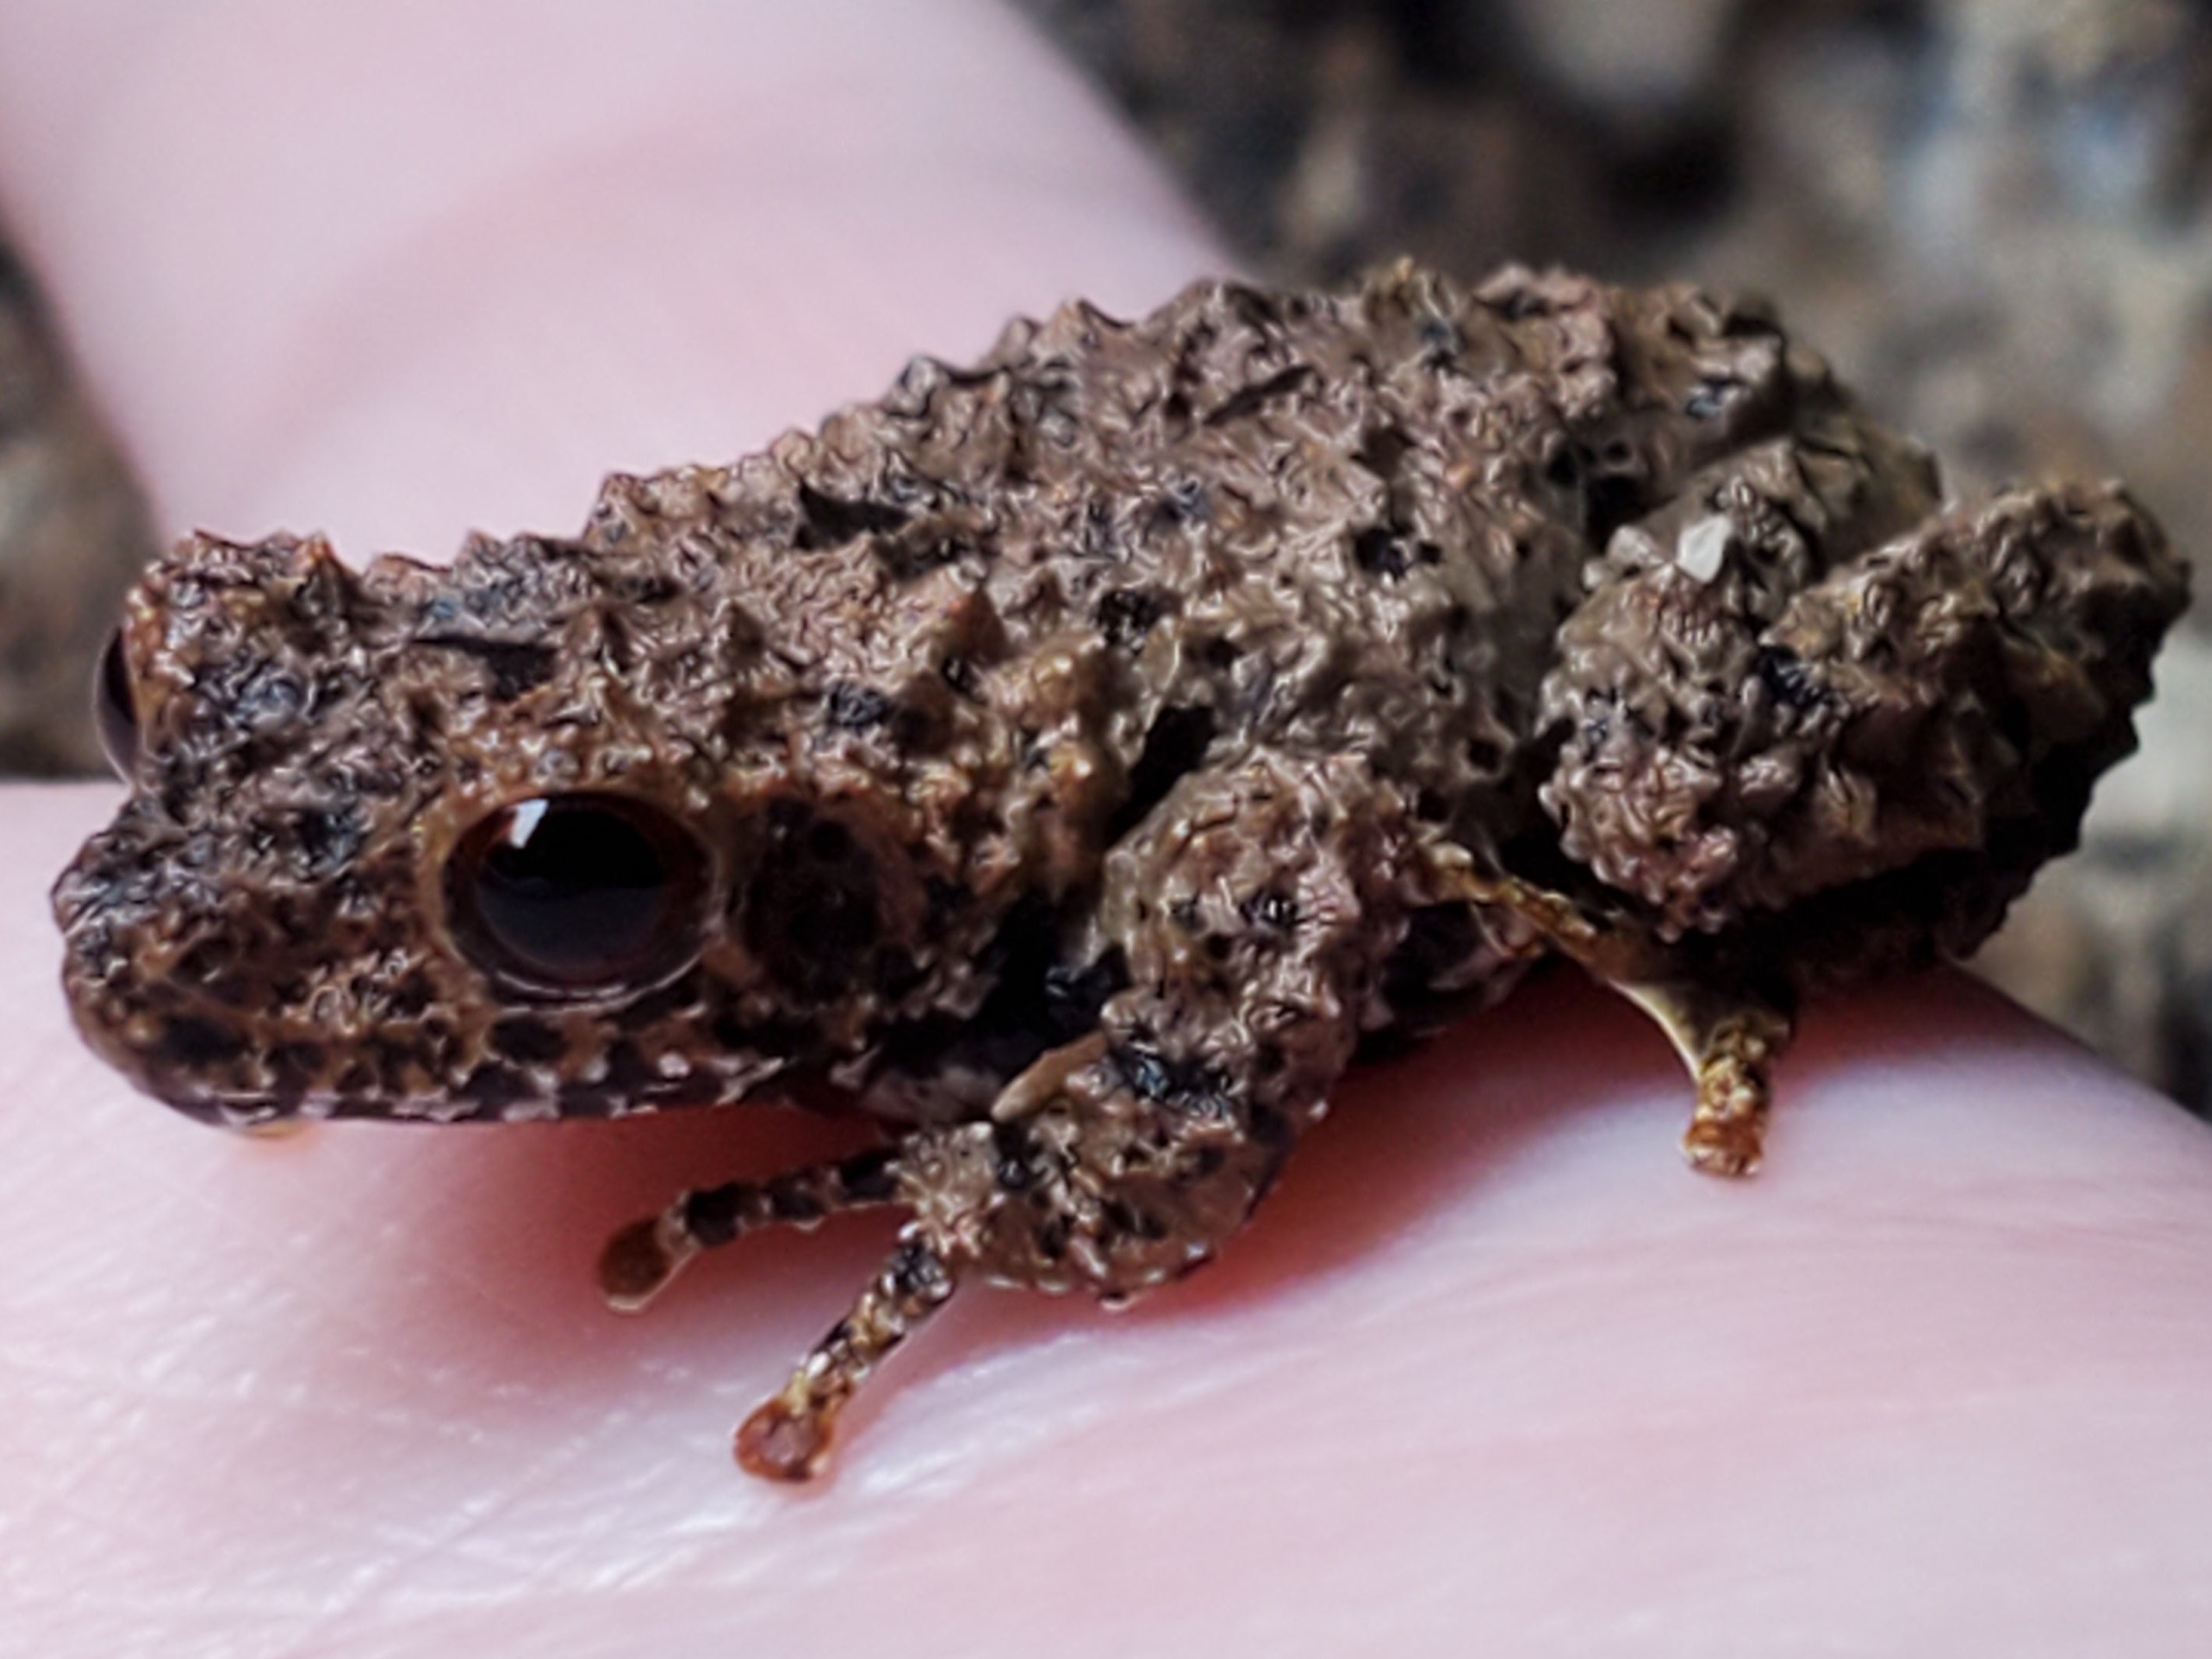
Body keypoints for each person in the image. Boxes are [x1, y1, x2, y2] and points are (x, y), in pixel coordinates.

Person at [2, 3, 2208, 1650]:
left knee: (1665, 796)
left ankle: (1804, 912)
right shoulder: (748, 737)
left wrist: (1043, 1172)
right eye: (159, 696)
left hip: (1643, 515)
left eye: (556, 886)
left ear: (801, 881)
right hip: (1290, 458)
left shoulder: (960, 861)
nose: (140, 920)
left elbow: (1297, 843)